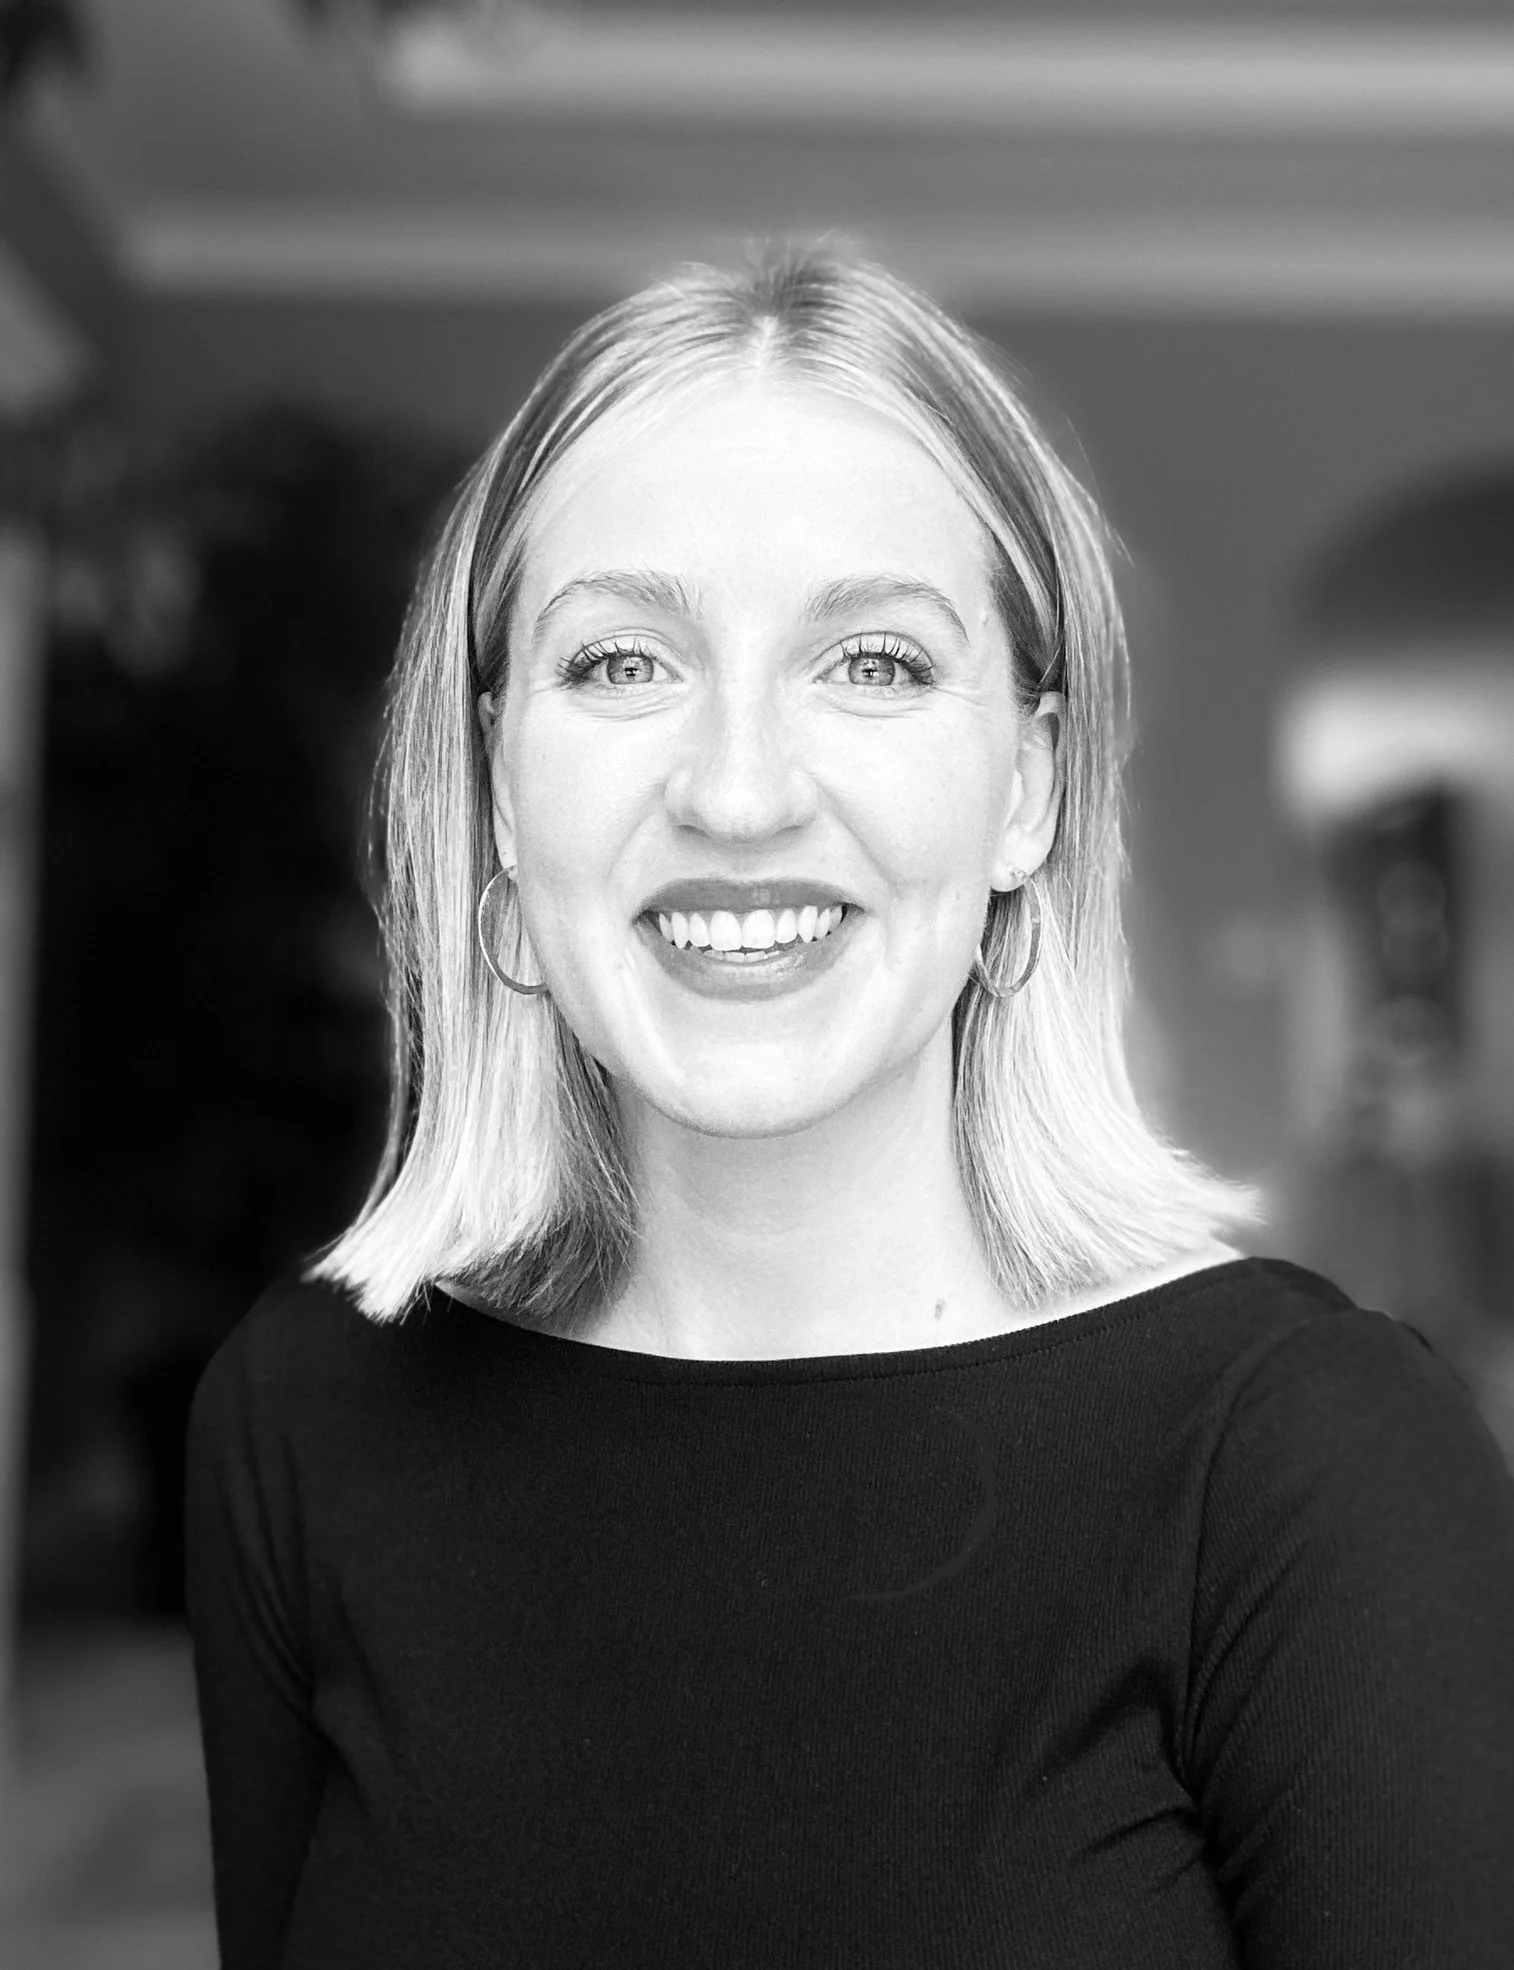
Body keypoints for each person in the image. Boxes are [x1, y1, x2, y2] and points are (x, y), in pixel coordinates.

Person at [184, 246, 1514, 1969]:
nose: (737, 788)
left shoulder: (1306, 1463)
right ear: (499, 784)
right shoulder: (298, 1421)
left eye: (873, 662)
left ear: (1027, 785)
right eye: (619, 663)